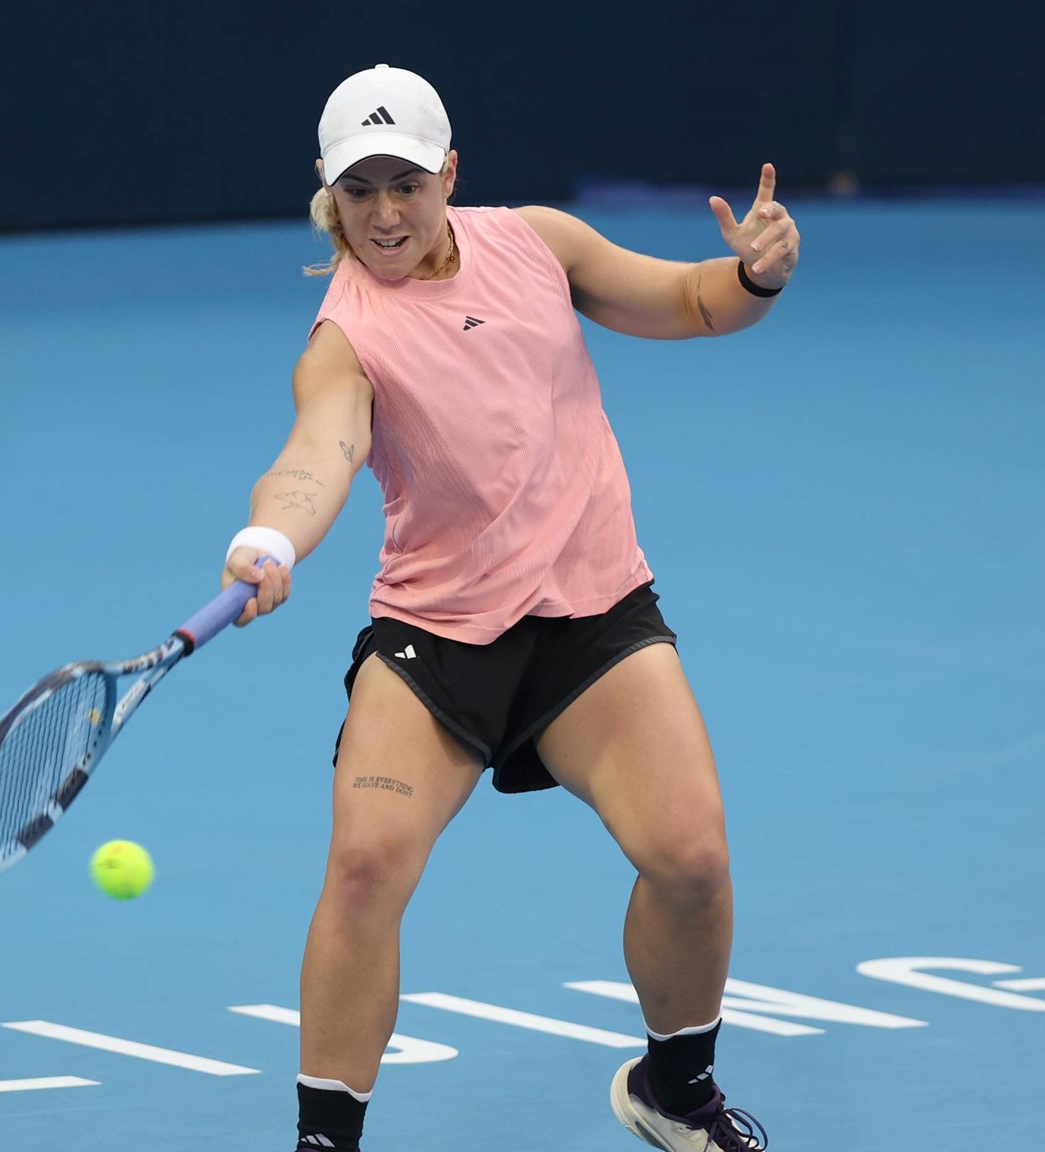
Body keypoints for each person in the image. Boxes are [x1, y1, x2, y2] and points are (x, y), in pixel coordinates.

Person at [221, 64, 799, 1152]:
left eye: (404, 182)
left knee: (691, 858)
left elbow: (688, 302)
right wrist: (269, 538)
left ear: (448, 173)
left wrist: (752, 274)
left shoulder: (536, 242)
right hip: (434, 641)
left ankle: (673, 1090)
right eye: (358, 191)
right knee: (363, 865)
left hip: (592, 617)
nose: (384, 214)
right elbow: (319, 452)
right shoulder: (344, 334)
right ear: (326, 193)